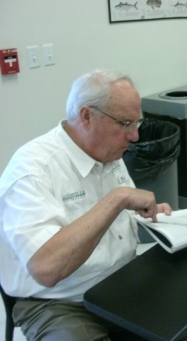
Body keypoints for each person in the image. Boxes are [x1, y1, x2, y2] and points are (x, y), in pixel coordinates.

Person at [0, 69, 172, 341]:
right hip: (59, 301)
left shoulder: (108, 152)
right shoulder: (32, 170)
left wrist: (151, 214)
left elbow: (113, 226)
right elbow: (46, 269)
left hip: (119, 280)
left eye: (136, 123)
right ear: (86, 116)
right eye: (125, 123)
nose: (135, 136)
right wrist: (118, 199)